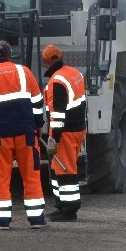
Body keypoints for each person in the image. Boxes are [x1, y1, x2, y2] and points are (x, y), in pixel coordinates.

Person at [0, 40, 47, 229]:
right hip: (26, 134)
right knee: (31, 175)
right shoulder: (24, 72)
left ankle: (2, 221)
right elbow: (38, 103)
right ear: (10, 55)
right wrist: (38, 125)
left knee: (1, 177)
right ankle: (37, 220)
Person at [41, 44, 86, 221]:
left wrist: (54, 138)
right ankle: (61, 205)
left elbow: (58, 114)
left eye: (44, 60)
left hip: (65, 133)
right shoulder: (74, 73)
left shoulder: (57, 81)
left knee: (65, 171)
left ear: (49, 61)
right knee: (57, 169)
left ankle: (69, 210)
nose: (44, 63)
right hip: (77, 128)